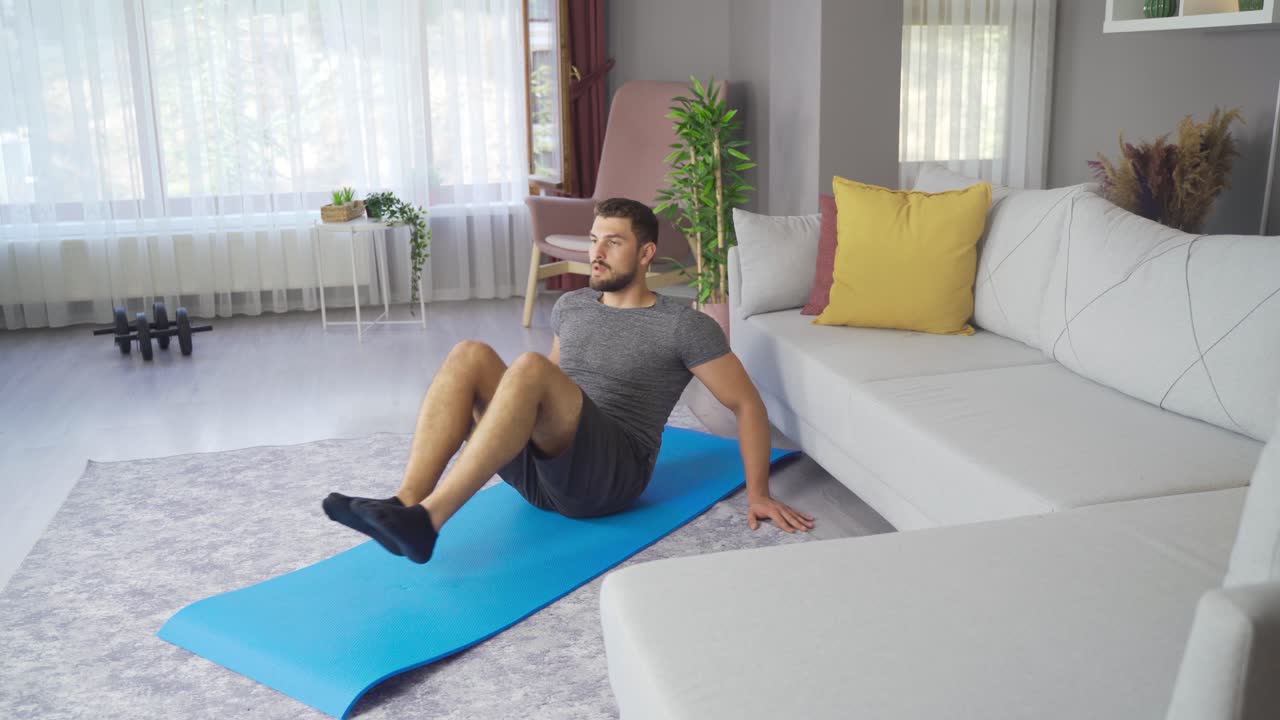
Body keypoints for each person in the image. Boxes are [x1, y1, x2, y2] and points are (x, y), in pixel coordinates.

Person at [324, 197, 814, 564]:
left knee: (531, 367)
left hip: (607, 482)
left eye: (613, 242)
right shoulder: (573, 305)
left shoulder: (683, 324)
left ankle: (429, 522)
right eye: (594, 239)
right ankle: (405, 504)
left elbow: (747, 405)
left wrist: (758, 494)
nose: (596, 253)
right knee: (469, 354)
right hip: (545, 478)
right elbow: (551, 388)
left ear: (646, 254)